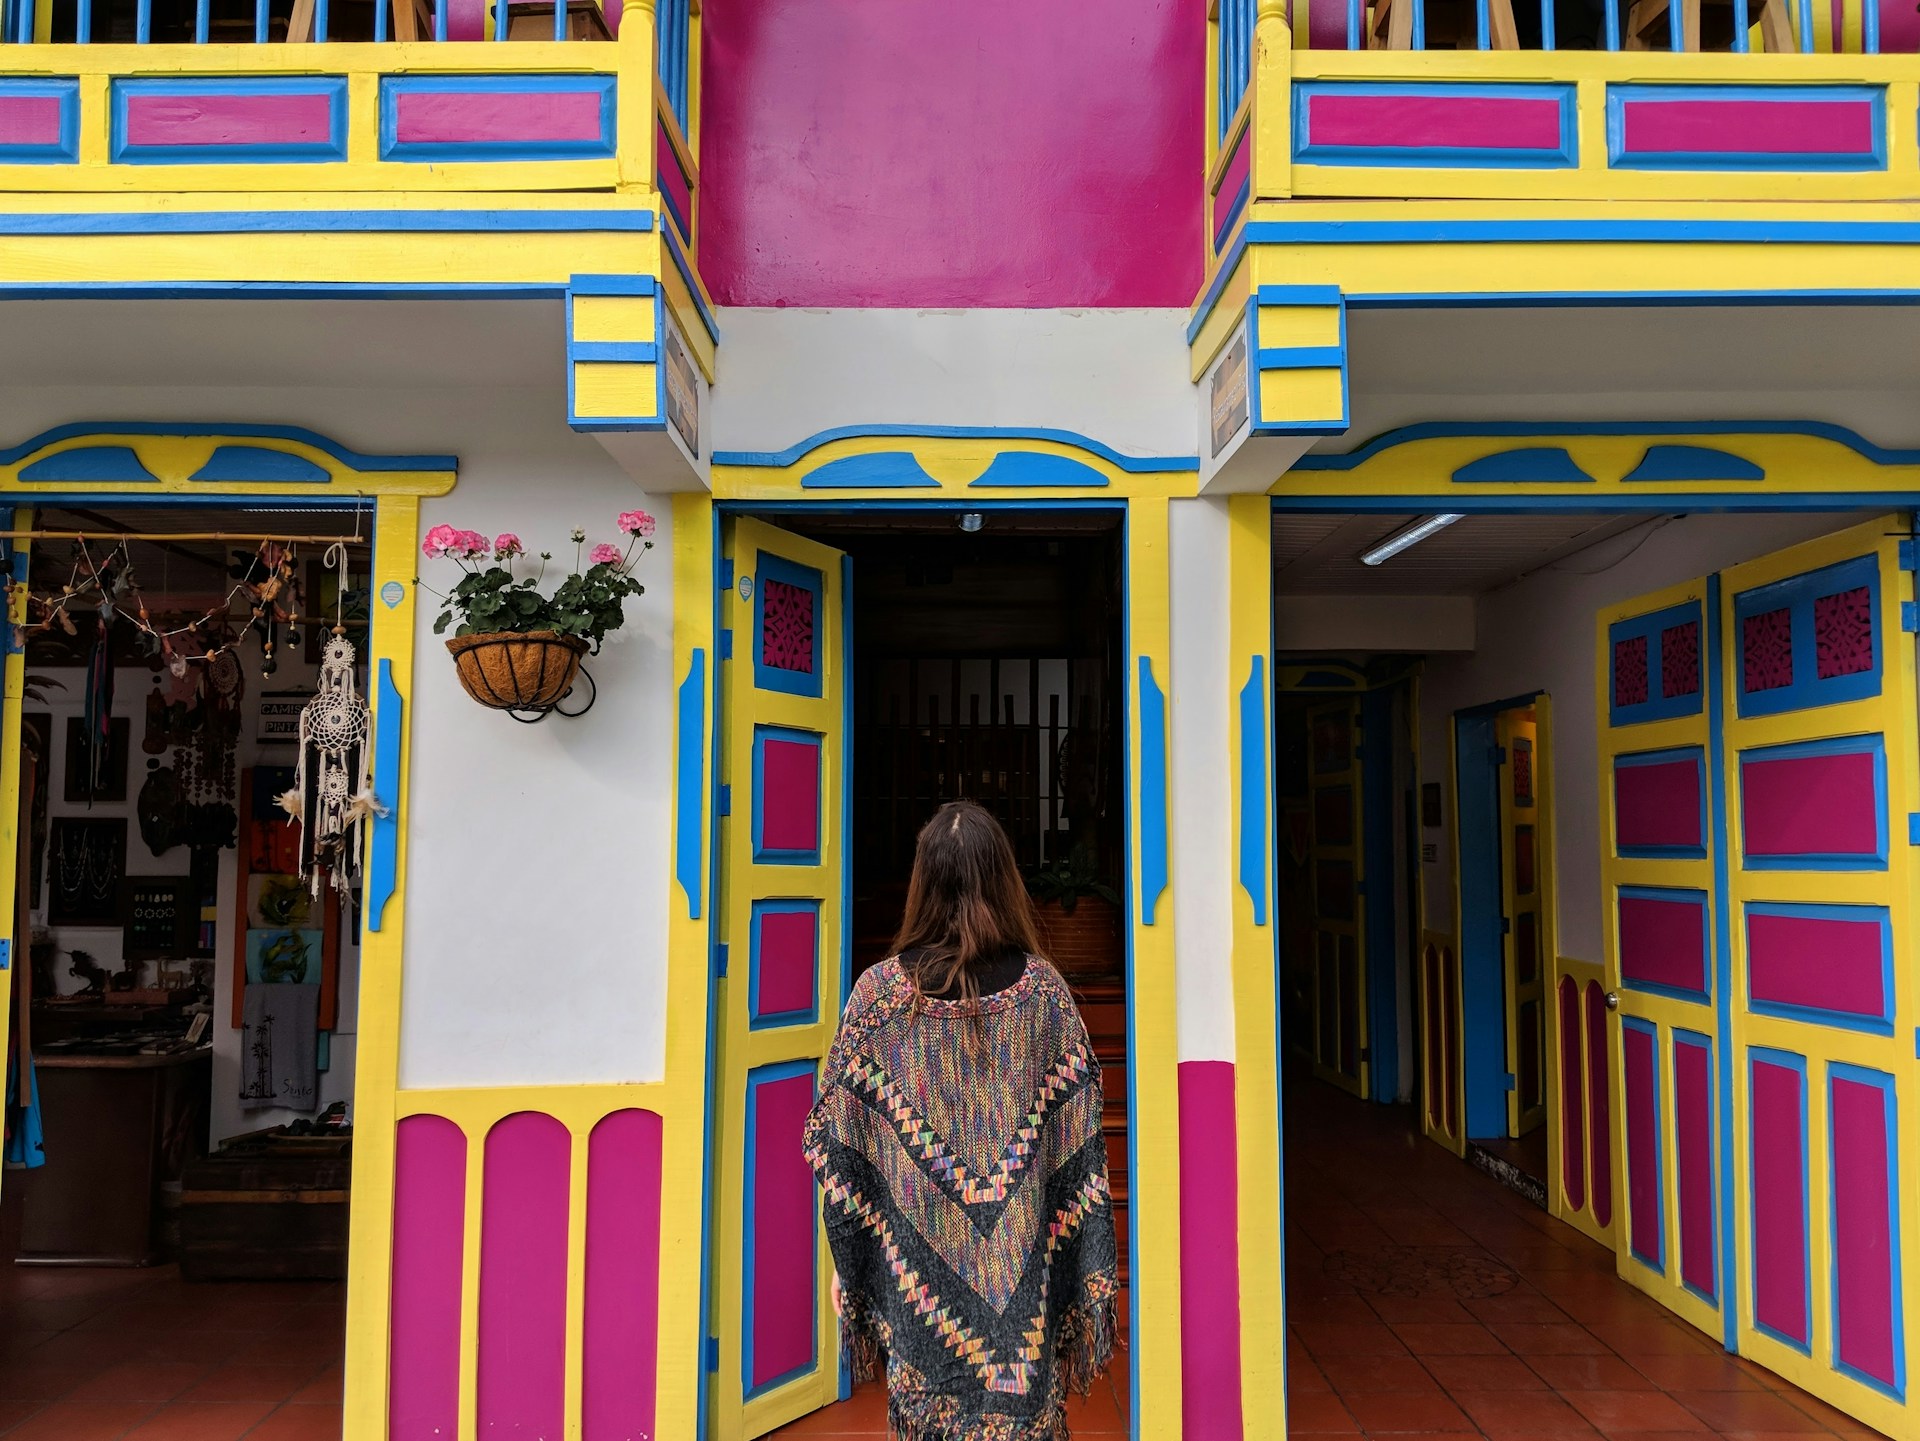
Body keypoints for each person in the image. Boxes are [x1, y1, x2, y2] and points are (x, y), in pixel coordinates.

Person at [803, 801, 1119, 1441]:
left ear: (921, 882)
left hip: (919, 1293)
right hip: (1026, 1303)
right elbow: (1084, 1150)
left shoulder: (878, 998)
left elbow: (836, 1148)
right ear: (1005, 879)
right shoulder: (1045, 996)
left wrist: (851, 1260)